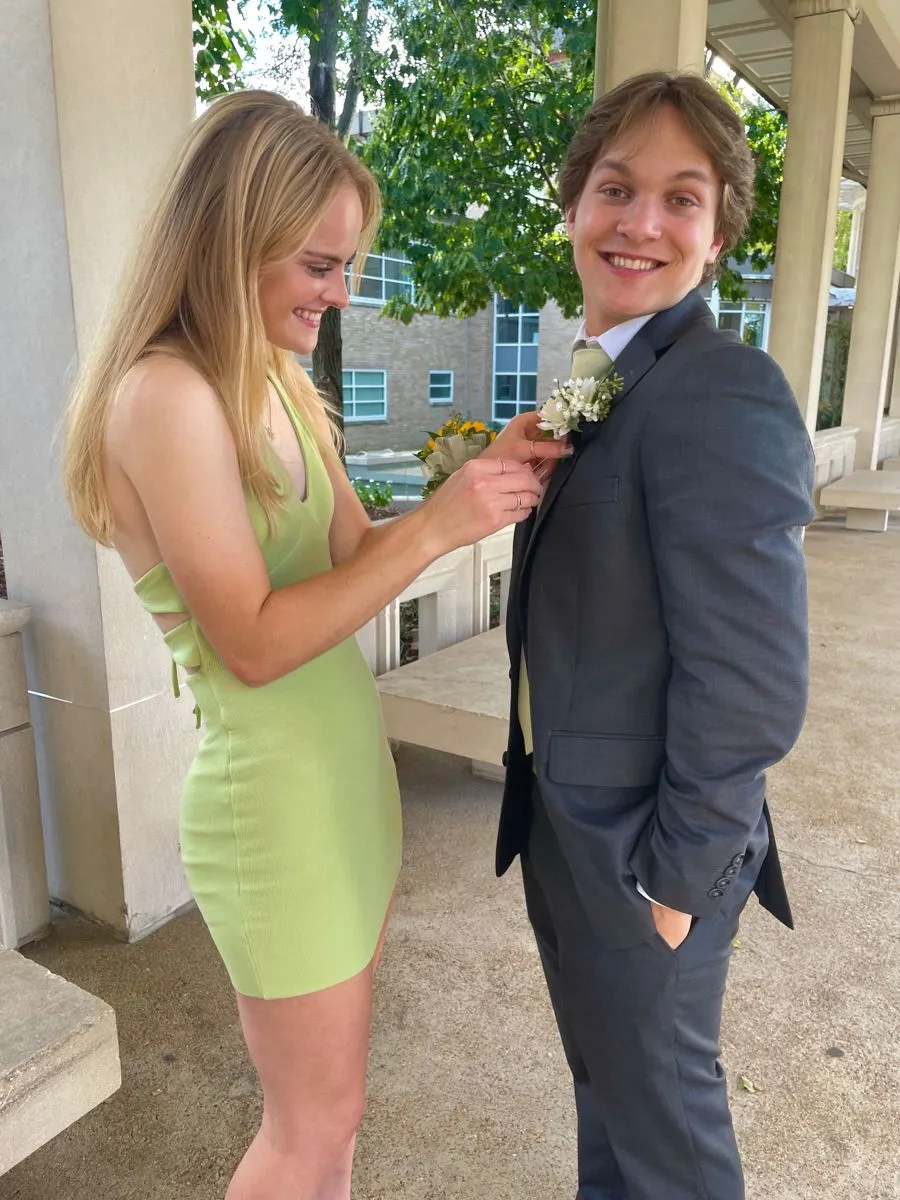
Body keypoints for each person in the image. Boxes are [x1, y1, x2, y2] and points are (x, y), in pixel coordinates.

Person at [62, 90, 564, 1200]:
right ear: (229, 243)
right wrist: (437, 527)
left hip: (345, 782)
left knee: (336, 1124)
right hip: (275, 807)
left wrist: (477, 480)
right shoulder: (164, 396)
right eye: (319, 265)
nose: (341, 294)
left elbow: (352, 558)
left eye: (346, 266)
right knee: (307, 1128)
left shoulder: (278, 384)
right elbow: (248, 643)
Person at [497, 71, 816, 1200]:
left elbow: (753, 680)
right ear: (573, 208)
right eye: (615, 188)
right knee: (612, 1100)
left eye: (682, 198)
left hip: (645, 856)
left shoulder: (722, 390)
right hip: (567, 824)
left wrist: (676, 882)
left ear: (718, 237)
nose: (640, 222)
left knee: (669, 1138)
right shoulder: (609, 380)